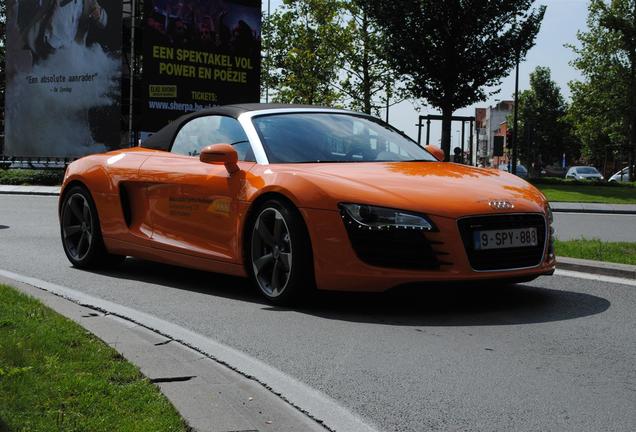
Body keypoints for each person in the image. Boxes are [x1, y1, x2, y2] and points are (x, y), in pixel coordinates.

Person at [19, 0, 108, 64]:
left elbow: (103, 23)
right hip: (46, 45)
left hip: (70, 54)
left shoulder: (89, 2)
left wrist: (99, 14)